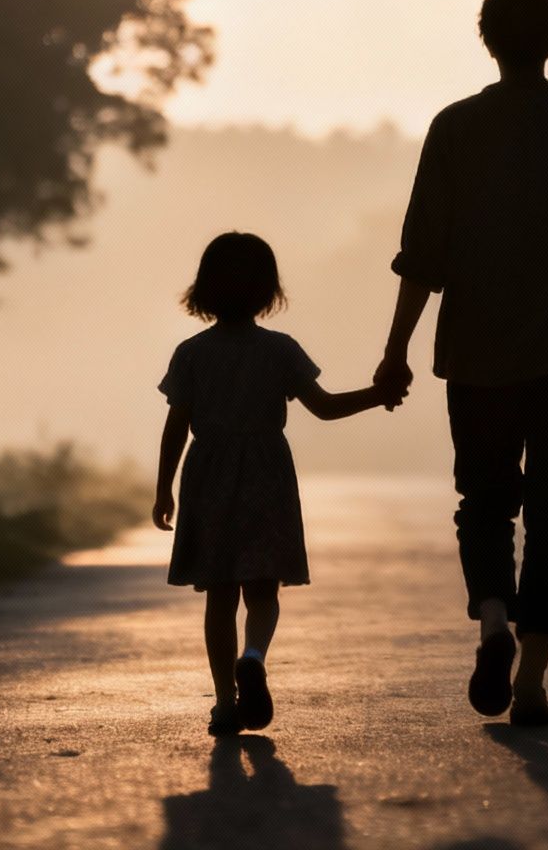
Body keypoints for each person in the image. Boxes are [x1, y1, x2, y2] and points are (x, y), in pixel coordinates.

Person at [375, 0, 548, 728]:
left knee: (485, 501)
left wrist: (395, 350)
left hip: (479, 353)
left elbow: (422, 257)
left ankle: (493, 621)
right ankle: (529, 681)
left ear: (486, 40)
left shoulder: (456, 128)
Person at [154, 231, 407, 736]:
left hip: (208, 476)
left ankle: (225, 703)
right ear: (268, 291)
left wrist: (164, 488)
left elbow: (176, 426)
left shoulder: (191, 354)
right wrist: (377, 395)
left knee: (219, 595)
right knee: (263, 588)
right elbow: (325, 407)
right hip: (267, 473)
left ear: (204, 288)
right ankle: (254, 655)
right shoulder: (280, 351)